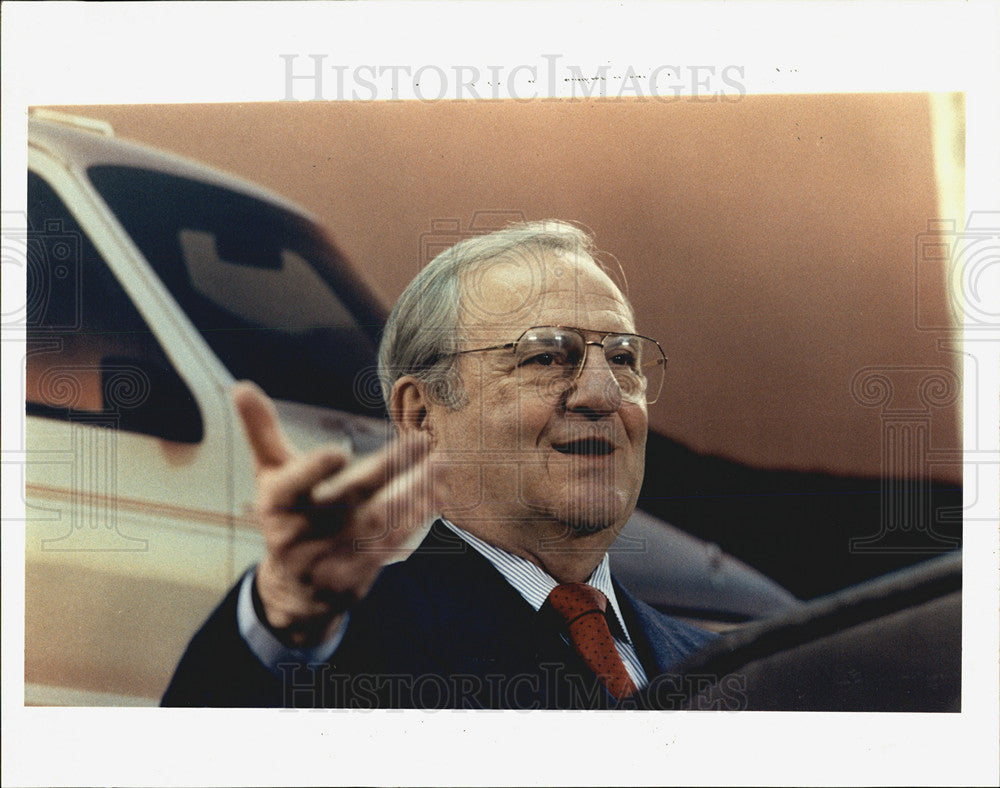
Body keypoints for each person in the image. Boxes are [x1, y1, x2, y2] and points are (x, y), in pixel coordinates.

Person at [162, 220, 715, 708]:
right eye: (547, 356)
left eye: (623, 358)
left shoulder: (724, 668)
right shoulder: (337, 644)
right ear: (422, 413)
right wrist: (285, 611)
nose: (603, 392)